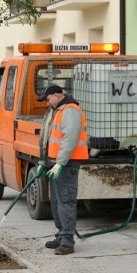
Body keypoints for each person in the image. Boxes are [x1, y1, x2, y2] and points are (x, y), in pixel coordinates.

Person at [36, 84, 88, 255]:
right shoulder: (55, 110)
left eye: (48, 98)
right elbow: (47, 136)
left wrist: (60, 162)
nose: (46, 102)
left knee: (65, 201)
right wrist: (43, 161)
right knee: (56, 202)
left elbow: (70, 138)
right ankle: (61, 235)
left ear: (57, 95)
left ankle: (67, 241)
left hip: (67, 164)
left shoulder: (70, 111)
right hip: (55, 163)